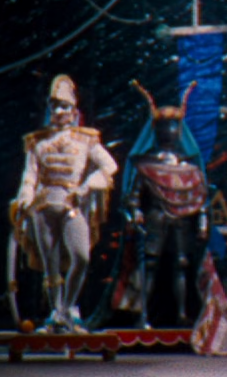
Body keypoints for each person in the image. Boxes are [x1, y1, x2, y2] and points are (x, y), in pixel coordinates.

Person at [13, 74, 119, 332]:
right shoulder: (37, 141)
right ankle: (57, 313)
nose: (59, 112)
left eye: (64, 106)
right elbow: (30, 175)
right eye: (54, 106)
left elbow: (109, 165)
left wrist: (87, 186)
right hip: (43, 207)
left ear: (74, 111)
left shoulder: (86, 140)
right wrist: (24, 197)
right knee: (50, 265)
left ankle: (67, 308)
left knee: (81, 258)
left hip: (71, 203)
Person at [122, 79, 208, 327]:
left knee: (181, 263)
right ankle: (143, 315)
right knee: (150, 264)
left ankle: (181, 314)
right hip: (155, 216)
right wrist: (135, 211)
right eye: (165, 126)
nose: (169, 130)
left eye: (173, 126)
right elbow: (134, 194)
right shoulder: (146, 162)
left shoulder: (188, 164)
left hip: (182, 218)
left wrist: (202, 221)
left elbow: (200, 196)